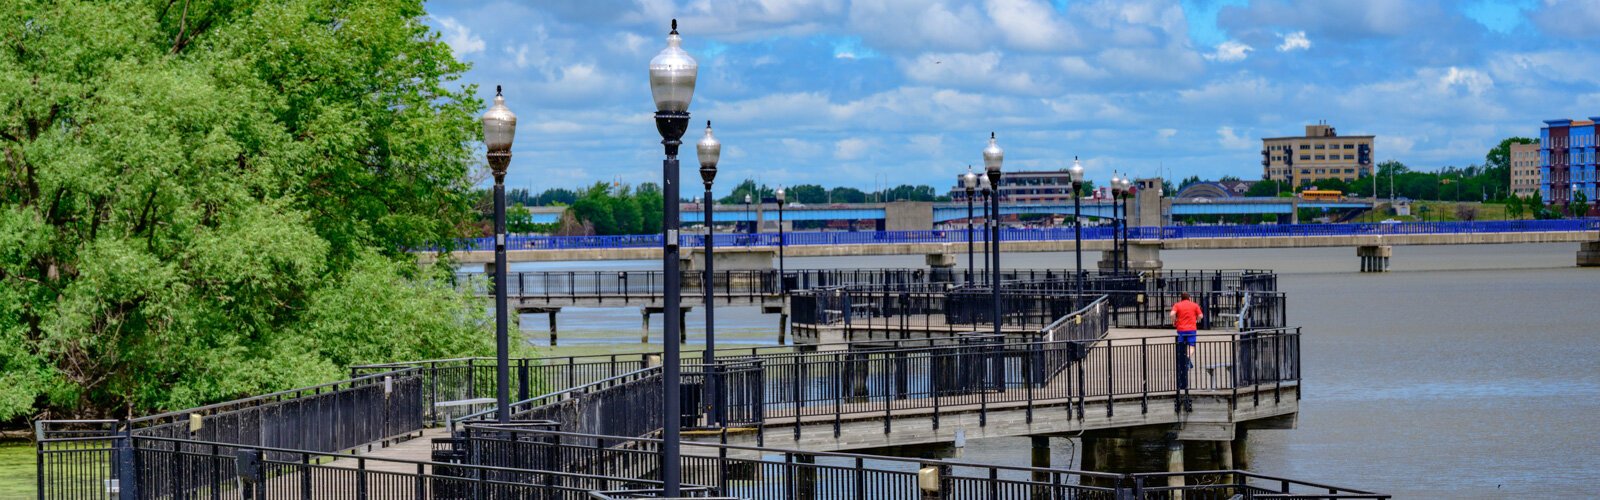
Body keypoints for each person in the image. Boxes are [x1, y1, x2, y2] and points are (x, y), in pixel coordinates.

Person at [1169, 292, 1203, 390]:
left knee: (1181, 345)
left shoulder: (1177, 305)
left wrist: (1174, 320)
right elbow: (1201, 316)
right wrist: (1196, 319)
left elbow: (1172, 314)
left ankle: (1183, 359)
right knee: (1191, 345)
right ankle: (1187, 359)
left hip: (1181, 329)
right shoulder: (1194, 305)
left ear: (1181, 298)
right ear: (1190, 298)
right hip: (1191, 328)